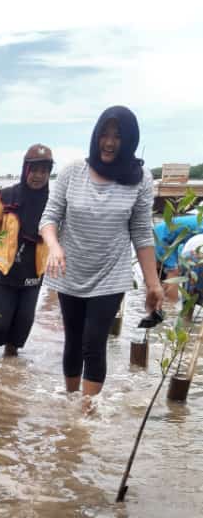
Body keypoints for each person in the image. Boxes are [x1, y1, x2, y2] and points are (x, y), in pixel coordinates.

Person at [40, 106, 162, 400]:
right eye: (104, 135)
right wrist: (54, 246)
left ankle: (86, 413)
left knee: (94, 342)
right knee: (73, 339)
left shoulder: (141, 179)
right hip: (70, 269)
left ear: (129, 140)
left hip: (110, 274)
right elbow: (49, 217)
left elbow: (142, 233)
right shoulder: (72, 172)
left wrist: (153, 283)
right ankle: (70, 400)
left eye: (117, 136)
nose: (108, 142)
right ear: (95, 136)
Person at [0, 145, 53, 357]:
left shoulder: (52, 203)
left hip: (33, 277)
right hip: (4, 272)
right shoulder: (6, 197)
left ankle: (8, 377)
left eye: (44, 171)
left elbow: (59, 236)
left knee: (20, 330)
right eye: (34, 170)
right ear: (25, 170)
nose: (38, 176)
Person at [154, 212, 203, 303]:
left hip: (167, 238)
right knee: (173, 272)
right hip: (163, 238)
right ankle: (171, 306)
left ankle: (161, 302)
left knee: (164, 275)